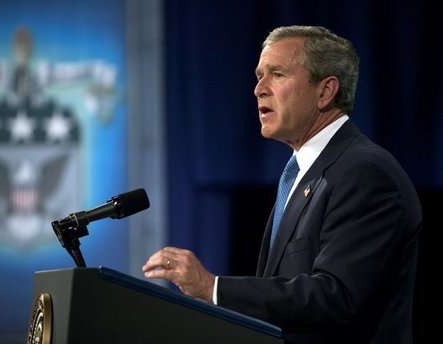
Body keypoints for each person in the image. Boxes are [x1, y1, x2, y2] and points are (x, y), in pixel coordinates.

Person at [142, 25, 422, 344]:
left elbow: (336, 295)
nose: (259, 89)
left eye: (277, 74)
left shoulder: (365, 171)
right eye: (259, 75)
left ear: (325, 91)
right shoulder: (301, 174)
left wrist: (213, 288)